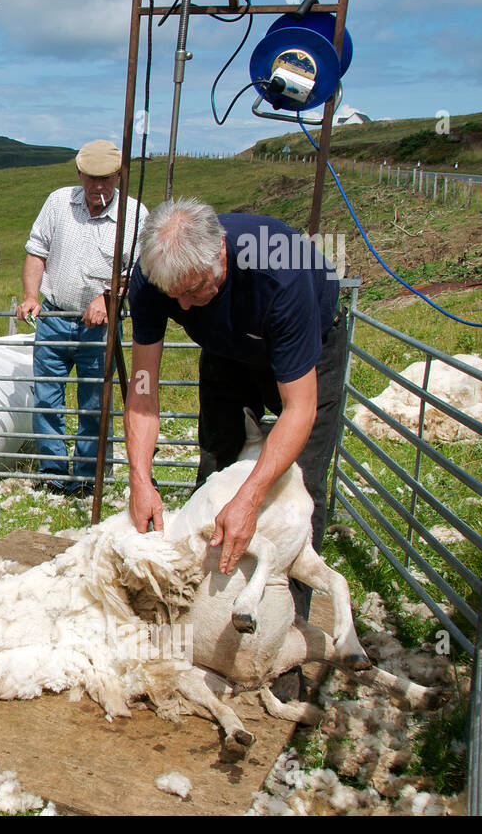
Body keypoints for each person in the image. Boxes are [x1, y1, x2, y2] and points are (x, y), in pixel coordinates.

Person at [124, 197, 347, 623]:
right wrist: (140, 478)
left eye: (192, 292)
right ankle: (205, 616)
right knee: (217, 468)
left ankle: (286, 630)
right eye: (175, 298)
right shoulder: (153, 277)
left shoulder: (281, 272)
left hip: (307, 350)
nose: (184, 307)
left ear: (219, 257)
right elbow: (143, 387)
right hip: (225, 350)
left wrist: (251, 496)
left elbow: (298, 410)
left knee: (299, 485)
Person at [16, 139, 148, 496]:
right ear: (79, 174)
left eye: (106, 178)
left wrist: (109, 299)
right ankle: (55, 478)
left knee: (94, 403)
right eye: (91, 178)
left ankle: (90, 479)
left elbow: (139, 273)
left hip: (100, 326)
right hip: (55, 318)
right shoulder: (59, 202)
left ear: (118, 176)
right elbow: (36, 252)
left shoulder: (135, 215)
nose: (98, 186)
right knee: (46, 400)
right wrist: (31, 296)